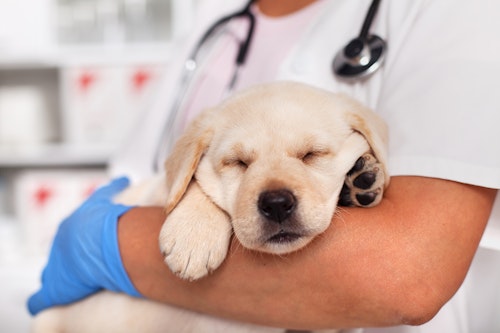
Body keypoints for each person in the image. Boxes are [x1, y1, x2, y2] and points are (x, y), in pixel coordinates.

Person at [28, 0, 500, 332]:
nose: (274, 191)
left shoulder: (453, 10)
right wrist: (191, 202)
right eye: (239, 160)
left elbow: (406, 276)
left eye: (311, 154)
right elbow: (156, 175)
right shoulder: (214, 16)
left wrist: (110, 245)